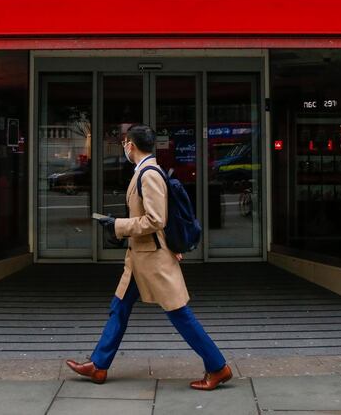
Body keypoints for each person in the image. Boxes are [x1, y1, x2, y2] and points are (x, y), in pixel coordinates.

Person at [66, 124, 232, 390]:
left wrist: (117, 225)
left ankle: (218, 367)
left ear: (131, 145)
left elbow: (156, 219)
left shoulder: (148, 175)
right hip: (139, 259)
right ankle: (98, 365)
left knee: (180, 314)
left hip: (153, 260)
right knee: (118, 308)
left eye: (124, 143)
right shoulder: (144, 172)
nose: (124, 147)